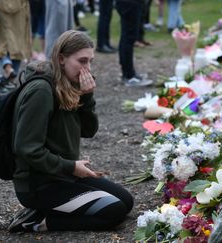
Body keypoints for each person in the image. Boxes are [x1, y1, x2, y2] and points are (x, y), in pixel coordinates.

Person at [7, 30, 133, 232]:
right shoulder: (41, 91)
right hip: (39, 184)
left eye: (90, 61)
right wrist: (71, 166)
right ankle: (36, 222)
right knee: (114, 211)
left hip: (61, 175)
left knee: (126, 201)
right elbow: (26, 148)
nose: (88, 69)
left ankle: (51, 210)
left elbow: (89, 131)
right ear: (61, 59)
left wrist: (87, 97)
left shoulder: (67, 84)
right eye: (82, 61)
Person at [0, 0, 31, 84]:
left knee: (0, 42)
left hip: (0, 6)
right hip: (20, 8)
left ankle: (8, 68)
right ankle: (11, 79)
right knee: (18, 43)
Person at [115, 0, 153, 87]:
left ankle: (128, 72)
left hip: (129, 3)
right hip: (130, 3)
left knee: (127, 37)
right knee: (128, 38)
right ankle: (129, 75)